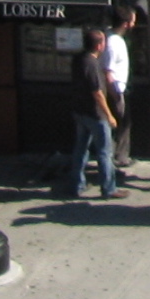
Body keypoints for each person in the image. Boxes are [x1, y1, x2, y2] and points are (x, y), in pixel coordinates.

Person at [65, 26, 123, 200]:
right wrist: (109, 115)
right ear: (99, 45)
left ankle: (77, 185)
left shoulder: (78, 59)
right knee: (105, 152)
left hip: (79, 110)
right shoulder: (92, 63)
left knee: (81, 149)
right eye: (103, 41)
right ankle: (108, 188)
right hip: (95, 114)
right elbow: (97, 92)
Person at [104, 2, 139, 177]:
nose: (134, 24)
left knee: (124, 124)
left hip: (120, 88)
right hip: (115, 90)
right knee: (117, 125)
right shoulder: (113, 42)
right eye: (133, 21)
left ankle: (121, 156)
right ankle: (114, 159)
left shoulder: (114, 39)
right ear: (126, 23)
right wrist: (115, 95)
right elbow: (108, 72)